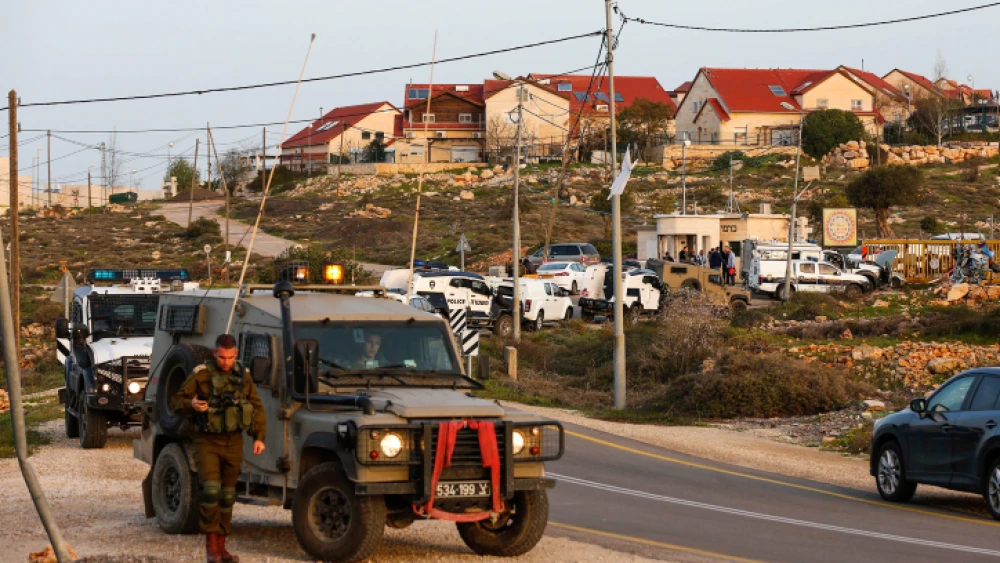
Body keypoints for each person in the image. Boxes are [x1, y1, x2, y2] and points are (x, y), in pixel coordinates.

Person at [171, 334, 266, 563]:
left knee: (227, 495)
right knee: (211, 491)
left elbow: (256, 406)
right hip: (207, 440)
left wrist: (259, 437)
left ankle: (222, 547)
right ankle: (211, 547)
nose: (226, 362)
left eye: (230, 357)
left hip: (233, 440)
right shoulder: (202, 374)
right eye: (222, 357)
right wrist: (191, 404)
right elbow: (175, 402)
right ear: (215, 354)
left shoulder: (242, 376)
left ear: (235, 355)